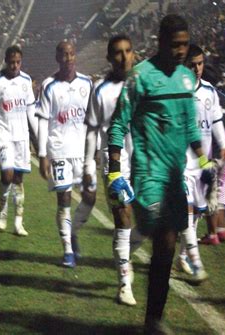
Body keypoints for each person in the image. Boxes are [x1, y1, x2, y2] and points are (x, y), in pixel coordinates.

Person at [107, 15, 214, 333]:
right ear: (161, 41)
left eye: (185, 44)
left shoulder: (185, 79)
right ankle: (153, 317)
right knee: (166, 239)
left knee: (166, 249)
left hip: (174, 176)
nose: (181, 50)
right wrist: (114, 171)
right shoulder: (140, 77)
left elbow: (190, 128)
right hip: (148, 174)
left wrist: (205, 162)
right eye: (175, 44)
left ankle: (153, 316)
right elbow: (118, 123)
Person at [84, 34, 137, 305]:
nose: (124, 56)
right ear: (109, 58)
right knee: (123, 216)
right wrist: (89, 165)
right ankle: (124, 281)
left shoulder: (144, 85)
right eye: (118, 52)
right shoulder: (101, 91)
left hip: (144, 159)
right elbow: (93, 129)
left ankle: (128, 251)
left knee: (153, 217)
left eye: (128, 51)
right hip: (115, 163)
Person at [37, 41, 95, 268]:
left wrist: (95, 149)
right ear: (57, 58)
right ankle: (68, 251)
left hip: (82, 151)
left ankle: (72, 232)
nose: (69, 58)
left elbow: (93, 119)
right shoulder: (49, 86)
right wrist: (43, 154)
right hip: (59, 149)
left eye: (71, 54)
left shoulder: (87, 83)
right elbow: (42, 121)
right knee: (64, 200)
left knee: (90, 197)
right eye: (64, 55)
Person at [175, 44, 225, 280]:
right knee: (187, 210)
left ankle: (182, 258)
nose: (197, 68)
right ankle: (196, 263)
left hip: (203, 164)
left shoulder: (209, 91)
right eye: (192, 64)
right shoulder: (175, 92)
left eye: (200, 63)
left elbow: (216, 120)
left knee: (197, 213)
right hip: (181, 161)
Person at [0, 45, 37, 236]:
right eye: (11, 62)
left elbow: (31, 110)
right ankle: (3, 206)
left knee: (19, 179)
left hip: (21, 136)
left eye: (18, 62)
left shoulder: (26, 80)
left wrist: (36, 136)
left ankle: (18, 222)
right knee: (7, 175)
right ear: (6, 61)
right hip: (3, 135)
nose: (14, 65)